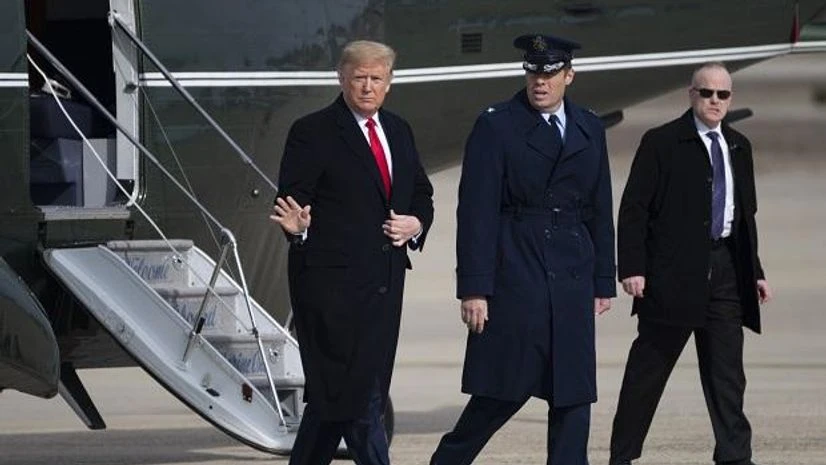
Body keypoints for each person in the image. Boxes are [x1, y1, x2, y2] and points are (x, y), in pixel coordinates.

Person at [430, 34, 616, 465]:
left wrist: (602, 278)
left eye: (550, 72)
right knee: (501, 390)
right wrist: (474, 288)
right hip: (517, 270)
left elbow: (599, 207)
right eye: (533, 71)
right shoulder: (496, 125)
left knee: (573, 395)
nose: (540, 81)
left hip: (571, 274)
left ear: (569, 75)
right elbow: (476, 212)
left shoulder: (589, 126)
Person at [270, 40, 434, 465]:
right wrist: (299, 230)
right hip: (330, 291)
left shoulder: (398, 130)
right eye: (358, 78)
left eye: (375, 79)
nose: (366, 87)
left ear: (389, 83)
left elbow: (421, 194)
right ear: (341, 79)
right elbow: (292, 199)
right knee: (359, 398)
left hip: (383, 288)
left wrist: (415, 223)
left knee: (333, 403)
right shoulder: (313, 131)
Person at [608, 62, 773, 465]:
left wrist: (756, 271)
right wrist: (632, 267)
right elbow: (634, 211)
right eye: (707, 93)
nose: (715, 101)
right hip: (671, 277)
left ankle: (734, 458)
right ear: (691, 94)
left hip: (728, 277)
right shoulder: (662, 142)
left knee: (728, 379)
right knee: (647, 376)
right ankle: (622, 457)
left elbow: (742, 217)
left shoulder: (739, 146)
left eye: (723, 95)